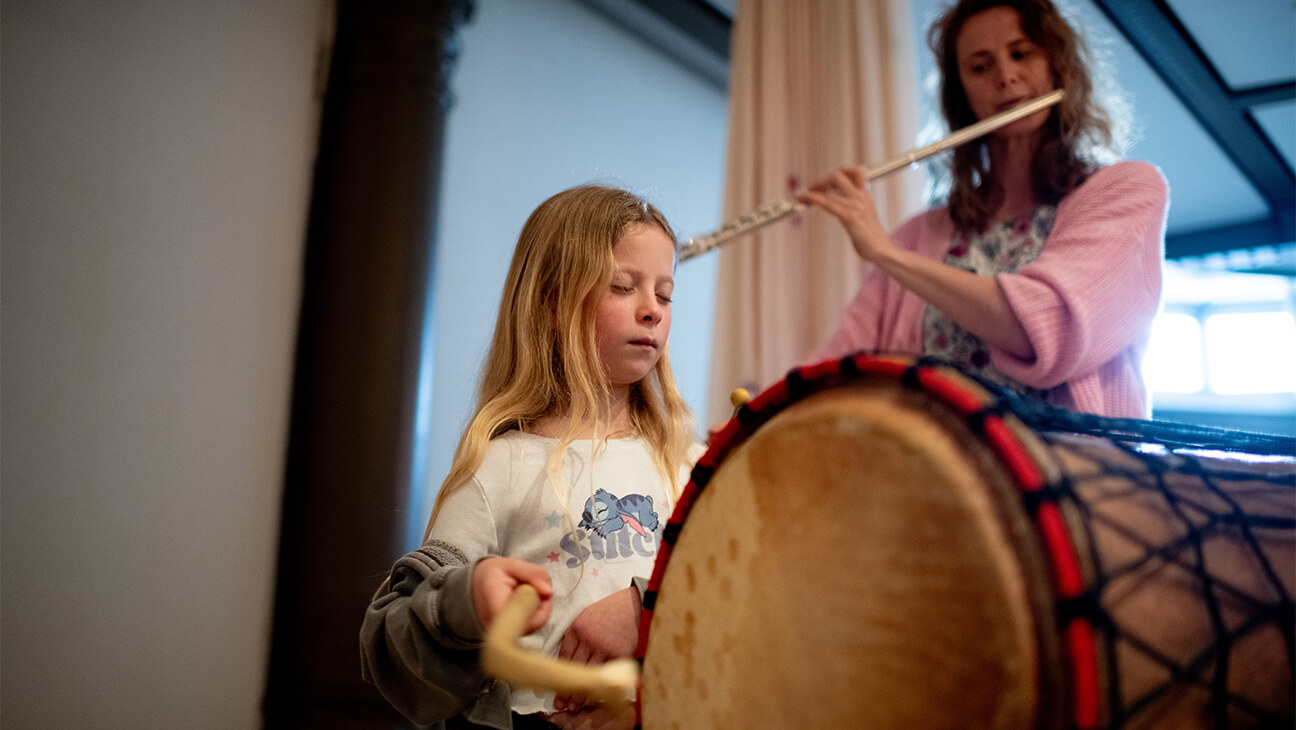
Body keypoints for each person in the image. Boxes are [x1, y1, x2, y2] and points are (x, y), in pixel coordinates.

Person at [360, 185, 700, 729]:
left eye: (665, 295)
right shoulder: (497, 468)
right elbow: (393, 651)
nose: (651, 311)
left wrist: (645, 606)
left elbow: (749, 599)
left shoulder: (689, 465)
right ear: (549, 304)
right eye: (622, 287)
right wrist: (466, 601)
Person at [798, 0, 1167, 419]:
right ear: (963, 95)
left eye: (1021, 54)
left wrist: (885, 254)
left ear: (1057, 66)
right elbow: (835, 364)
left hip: (1067, 459)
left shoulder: (1126, 191)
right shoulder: (917, 235)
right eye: (980, 66)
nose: (1005, 76)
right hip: (932, 458)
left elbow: (1044, 329)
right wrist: (756, 414)